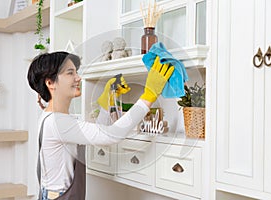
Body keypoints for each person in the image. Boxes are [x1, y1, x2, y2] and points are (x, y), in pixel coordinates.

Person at [27, 51, 174, 200]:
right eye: (70, 73)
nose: (78, 78)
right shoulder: (58, 122)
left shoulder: (51, 117)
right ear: (50, 83)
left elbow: (95, 135)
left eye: (76, 72)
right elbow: (111, 135)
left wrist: (105, 104)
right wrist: (148, 96)